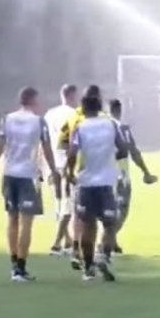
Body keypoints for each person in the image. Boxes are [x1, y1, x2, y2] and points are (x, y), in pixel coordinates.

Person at [0, 87, 60, 282]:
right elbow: (47, 149)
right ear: (33, 101)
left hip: (10, 174)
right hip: (28, 175)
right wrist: (54, 171)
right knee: (26, 223)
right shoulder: (38, 122)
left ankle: (14, 264)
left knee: (12, 220)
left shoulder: (7, 119)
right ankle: (21, 267)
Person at [66, 94, 127, 282]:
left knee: (87, 225)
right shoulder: (111, 125)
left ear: (83, 109)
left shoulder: (80, 128)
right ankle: (103, 254)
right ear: (100, 107)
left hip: (86, 183)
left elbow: (72, 153)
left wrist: (70, 173)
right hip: (106, 183)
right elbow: (122, 147)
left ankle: (88, 268)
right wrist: (112, 158)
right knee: (110, 224)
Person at [58, 84, 105, 268]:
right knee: (98, 217)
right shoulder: (103, 120)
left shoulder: (72, 118)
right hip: (99, 172)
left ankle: (77, 249)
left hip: (76, 171)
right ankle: (97, 253)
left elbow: (62, 144)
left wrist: (67, 169)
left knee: (78, 214)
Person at [107, 98, 157, 256]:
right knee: (121, 209)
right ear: (119, 110)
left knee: (107, 209)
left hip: (101, 173)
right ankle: (108, 241)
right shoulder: (121, 128)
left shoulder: (100, 126)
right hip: (120, 174)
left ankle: (111, 242)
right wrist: (146, 172)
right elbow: (133, 151)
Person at [42, 84, 78, 256]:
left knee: (58, 202)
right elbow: (72, 141)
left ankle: (67, 240)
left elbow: (44, 139)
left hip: (51, 162)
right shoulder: (74, 114)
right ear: (72, 96)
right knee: (68, 204)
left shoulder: (50, 114)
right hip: (66, 162)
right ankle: (57, 244)